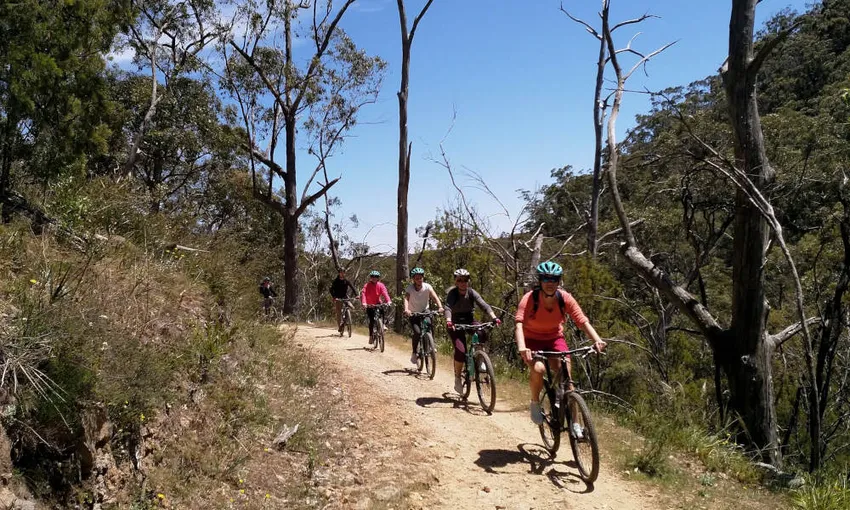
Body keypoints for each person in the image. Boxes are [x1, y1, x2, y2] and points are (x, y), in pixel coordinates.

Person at [514, 261, 607, 429]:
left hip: (555, 339)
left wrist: (597, 339)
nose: (550, 283)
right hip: (531, 340)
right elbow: (519, 323)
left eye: (554, 279)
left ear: (559, 281)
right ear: (540, 281)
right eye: (546, 279)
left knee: (567, 381)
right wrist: (522, 347)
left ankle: (575, 424)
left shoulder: (564, 298)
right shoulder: (529, 299)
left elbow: (582, 320)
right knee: (538, 369)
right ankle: (535, 402)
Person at [444, 268, 501, 394]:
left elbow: (484, 305)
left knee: (482, 332)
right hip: (455, 322)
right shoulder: (453, 294)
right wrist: (449, 321)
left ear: (468, 281)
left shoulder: (471, 292)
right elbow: (447, 307)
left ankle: (480, 359)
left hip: (469, 320)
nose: (463, 283)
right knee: (460, 351)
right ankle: (458, 378)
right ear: (456, 282)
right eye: (460, 280)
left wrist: (494, 318)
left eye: (465, 280)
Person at [403, 267, 444, 365]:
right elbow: (406, 299)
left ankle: (431, 344)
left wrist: (440, 307)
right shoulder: (410, 288)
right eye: (417, 278)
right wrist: (406, 309)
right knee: (417, 332)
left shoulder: (427, 287)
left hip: (425, 310)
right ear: (413, 279)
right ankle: (414, 353)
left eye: (421, 278)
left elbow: (435, 297)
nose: (419, 280)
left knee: (429, 323)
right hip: (413, 313)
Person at [360, 270, 391, 342]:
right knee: (371, 321)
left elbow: (385, 293)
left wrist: (388, 301)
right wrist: (364, 303)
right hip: (369, 304)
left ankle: (382, 325)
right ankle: (371, 336)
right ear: (370, 277)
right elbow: (363, 294)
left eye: (376, 277)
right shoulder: (367, 285)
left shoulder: (381, 285)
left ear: (378, 278)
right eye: (373, 276)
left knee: (382, 311)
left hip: (377, 302)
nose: (374, 278)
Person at [330, 268, 358, 332]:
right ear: (339, 273)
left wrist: (356, 295)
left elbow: (352, 287)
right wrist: (334, 297)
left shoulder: (346, 280)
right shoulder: (336, 281)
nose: (342, 273)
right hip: (337, 297)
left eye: (343, 272)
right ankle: (340, 326)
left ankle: (347, 318)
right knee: (338, 312)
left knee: (352, 307)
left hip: (345, 296)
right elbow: (331, 289)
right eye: (341, 272)